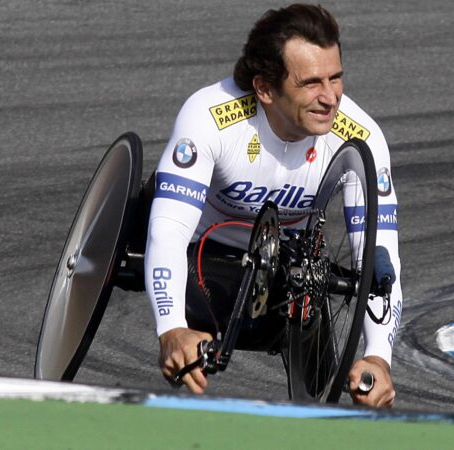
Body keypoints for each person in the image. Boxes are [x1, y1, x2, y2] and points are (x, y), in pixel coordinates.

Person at [144, 3, 402, 408]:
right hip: (202, 257)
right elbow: (168, 231)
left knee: (326, 392)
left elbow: (380, 256)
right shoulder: (210, 117)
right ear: (264, 89)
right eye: (311, 83)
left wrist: (377, 357)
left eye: (336, 78)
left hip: (289, 270)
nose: (330, 98)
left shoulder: (363, 138)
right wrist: (172, 329)